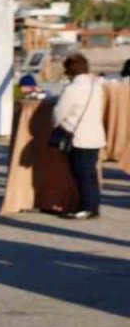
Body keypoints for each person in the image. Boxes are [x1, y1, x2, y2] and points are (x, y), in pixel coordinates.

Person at [53, 53, 106, 219]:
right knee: (90, 174)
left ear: (69, 71)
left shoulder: (72, 89)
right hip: (95, 135)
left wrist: (56, 127)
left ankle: (86, 208)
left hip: (78, 137)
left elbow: (58, 113)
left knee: (81, 174)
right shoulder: (96, 86)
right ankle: (93, 206)